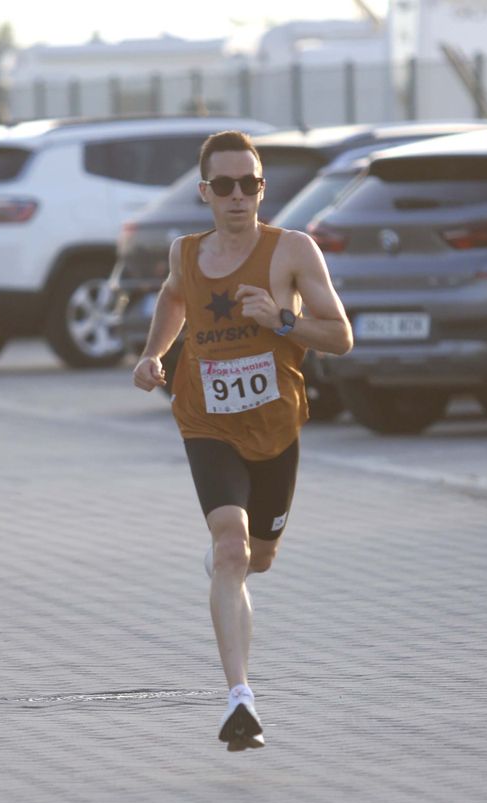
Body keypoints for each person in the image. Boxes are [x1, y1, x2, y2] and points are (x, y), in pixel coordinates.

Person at [132, 130, 353, 752]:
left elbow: (339, 337)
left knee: (258, 558)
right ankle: (240, 701)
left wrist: (280, 319)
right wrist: (153, 355)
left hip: (276, 426)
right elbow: (173, 300)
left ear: (263, 189)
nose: (238, 197)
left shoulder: (292, 251)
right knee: (231, 548)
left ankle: (232, 565)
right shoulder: (186, 253)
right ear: (204, 192)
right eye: (224, 185)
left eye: (249, 184)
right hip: (206, 421)